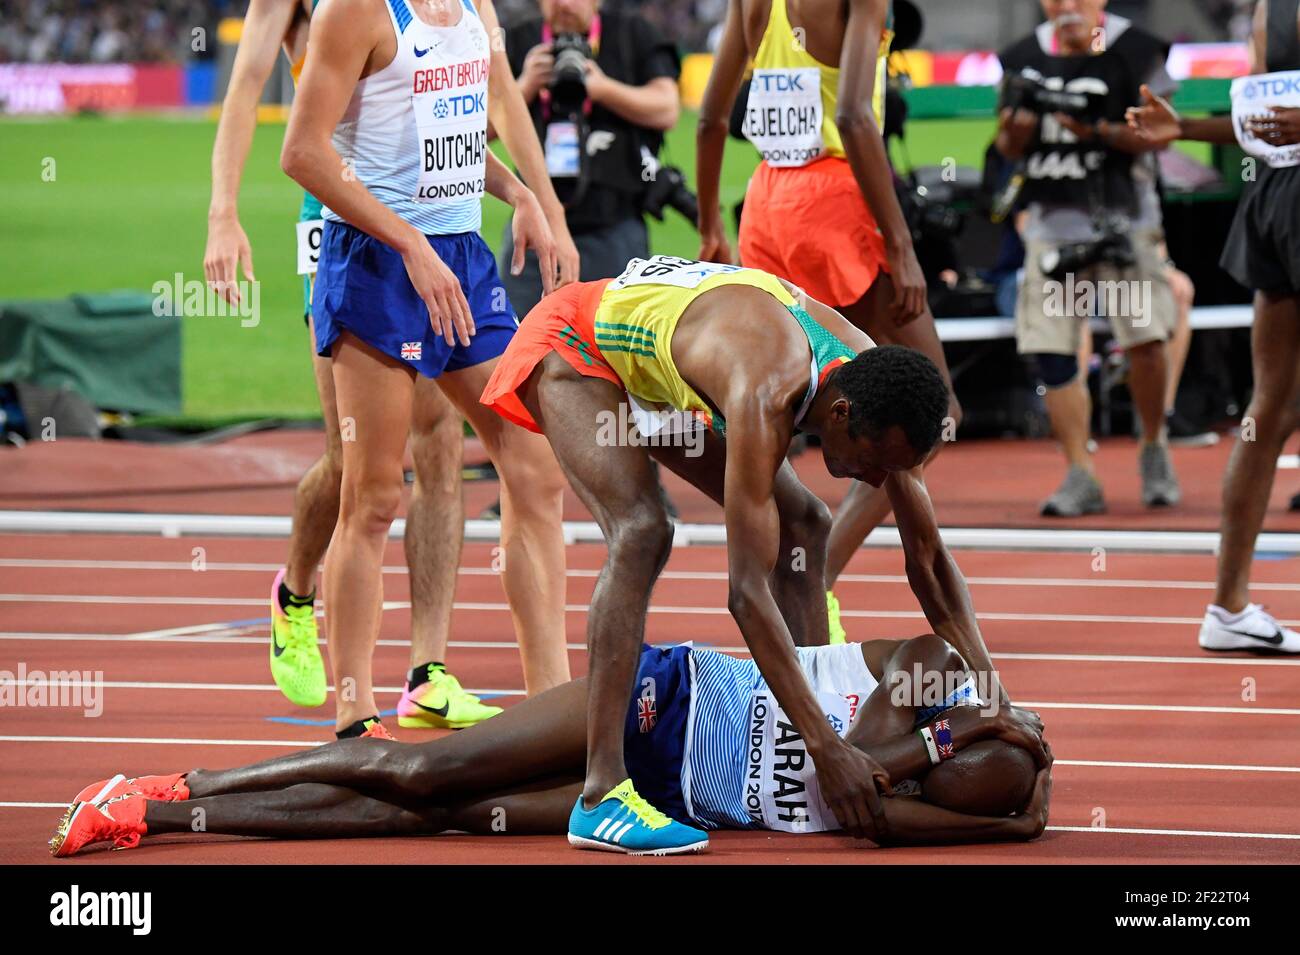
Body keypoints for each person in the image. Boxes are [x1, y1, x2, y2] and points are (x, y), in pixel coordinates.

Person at [479, 254, 1004, 852]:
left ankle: (813, 705)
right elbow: (746, 593)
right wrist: (826, 750)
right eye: (875, 464)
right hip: (578, 344)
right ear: (838, 414)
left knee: (807, 523)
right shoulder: (767, 391)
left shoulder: (876, 385)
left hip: (670, 369)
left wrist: (995, 699)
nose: (879, 482)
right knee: (643, 531)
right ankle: (602, 792)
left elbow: (930, 563)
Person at [202, 0, 525, 732]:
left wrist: (523, 193)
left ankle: (426, 671)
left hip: (437, 223)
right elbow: (249, 88)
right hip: (340, 221)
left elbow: (467, 106)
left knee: (440, 444)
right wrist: (223, 211)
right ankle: (298, 589)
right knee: (357, 463)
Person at [49, 631, 1052, 857]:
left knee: (436, 817)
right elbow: (870, 759)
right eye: (961, 771)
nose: (947, 789)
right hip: (660, 701)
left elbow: (876, 810)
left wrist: (1013, 830)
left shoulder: (975, 785)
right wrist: (952, 725)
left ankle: (165, 816)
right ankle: (171, 780)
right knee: (422, 765)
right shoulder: (928, 656)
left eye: (965, 794)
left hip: (671, 801)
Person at [275, 0, 580, 740]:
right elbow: (302, 153)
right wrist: (410, 243)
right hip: (377, 266)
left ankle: (554, 711)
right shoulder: (355, 12)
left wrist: (521, 195)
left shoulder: (473, 6)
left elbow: (453, 125)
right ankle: (355, 722)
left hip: (465, 263)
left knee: (536, 470)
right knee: (375, 493)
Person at [695, 0, 962, 644]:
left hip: (766, 203)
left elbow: (709, 118)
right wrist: (901, 244)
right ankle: (819, 581)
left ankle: (776, 590)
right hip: (837, 205)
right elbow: (853, 115)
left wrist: (709, 222)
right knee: (932, 411)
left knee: (783, 415)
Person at [1128, 0, 1300, 652]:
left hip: (1278, 200)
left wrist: (1187, 126)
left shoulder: (1269, 12)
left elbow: (1271, 121)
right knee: (1269, 408)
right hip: (1289, 202)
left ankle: (1228, 606)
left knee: (1269, 410)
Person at [994, 0, 1180, 517]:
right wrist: (1022, 118)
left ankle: (1153, 444)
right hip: (1053, 226)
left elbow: (1165, 132)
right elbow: (1007, 146)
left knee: (1144, 342)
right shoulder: (1024, 57)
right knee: (1051, 350)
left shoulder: (1137, 51)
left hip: (1124, 221)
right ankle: (1080, 471)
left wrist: (1094, 128)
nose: (1068, 7)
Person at [498, 0, 682, 318]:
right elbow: (477, 127)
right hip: (533, 229)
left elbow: (667, 108)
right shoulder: (516, 40)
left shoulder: (631, 33)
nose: (565, 4)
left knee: (619, 349)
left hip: (614, 225)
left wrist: (603, 89)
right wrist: (524, 86)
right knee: (519, 341)